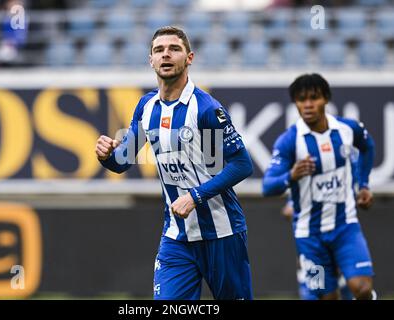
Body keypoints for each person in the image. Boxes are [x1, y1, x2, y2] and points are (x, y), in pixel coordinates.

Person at [95, 26, 254, 300]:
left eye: (174, 49)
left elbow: (242, 164)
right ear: (151, 60)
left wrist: (195, 196)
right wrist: (107, 156)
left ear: (189, 58)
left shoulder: (205, 109)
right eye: (159, 50)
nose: (166, 55)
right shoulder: (146, 107)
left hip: (222, 233)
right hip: (177, 236)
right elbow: (123, 161)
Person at [263, 73, 376, 300]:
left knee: (362, 288)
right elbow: (268, 186)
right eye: (301, 99)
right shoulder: (288, 141)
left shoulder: (347, 129)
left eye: (313, 98)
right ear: (295, 103)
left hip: (346, 227)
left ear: (326, 99)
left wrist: (363, 184)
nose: (307, 105)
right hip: (308, 236)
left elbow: (367, 146)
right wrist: (291, 176)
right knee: (325, 297)